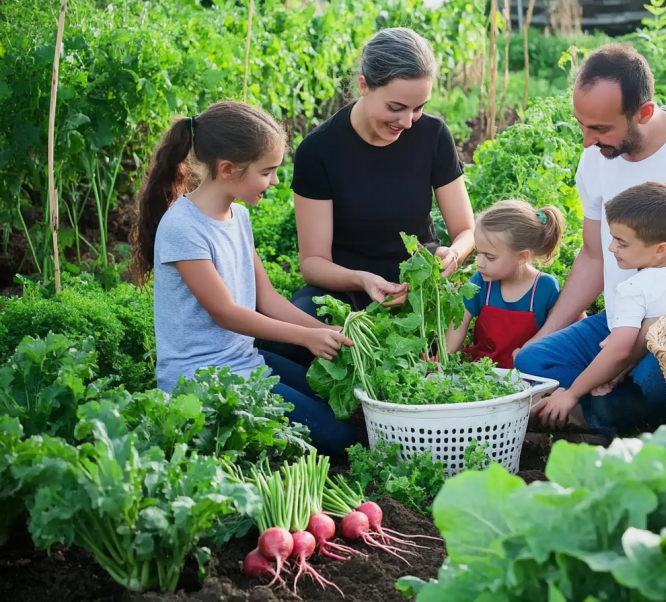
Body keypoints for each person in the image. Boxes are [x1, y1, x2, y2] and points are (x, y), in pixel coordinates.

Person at [514, 42, 666, 439]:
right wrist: (542, 335)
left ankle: (601, 409)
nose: (586, 141)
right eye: (582, 125)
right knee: (534, 361)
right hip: (624, 324)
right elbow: (593, 256)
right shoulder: (597, 156)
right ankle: (605, 402)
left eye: (600, 128)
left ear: (643, 112)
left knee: (654, 379)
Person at [130, 100, 358, 457]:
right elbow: (226, 313)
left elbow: (267, 300)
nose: (275, 180)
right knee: (342, 440)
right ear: (228, 170)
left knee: (345, 406)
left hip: (242, 360)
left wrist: (328, 332)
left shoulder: (238, 217)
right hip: (204, 381)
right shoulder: (183, 227)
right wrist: (307, 337)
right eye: (267, 171)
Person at [257, 27, 476, 366]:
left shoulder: (433, 135)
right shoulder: (319, 150)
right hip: (348, 293)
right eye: (396, 107)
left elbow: (466, 230)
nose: (407, 121)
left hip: (420, 289)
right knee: (284, 342)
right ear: (363, 86)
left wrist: (453, 257)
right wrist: (362, 280)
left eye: (419, 107)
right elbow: (313, 263)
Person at [533, 182, 666, 430]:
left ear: (661, 249)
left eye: (622, 243)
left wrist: (573, 393)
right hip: (662, 369)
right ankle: (606, 395)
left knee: (633, 388)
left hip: (650, 373)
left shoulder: (633, 289)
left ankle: (585, 409)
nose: (611, 248)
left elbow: (620, 351)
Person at [445, 200, 564, 370]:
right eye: (479, 253)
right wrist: (444, 359)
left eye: (490, 257)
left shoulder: (545, 288)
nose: (480, 263)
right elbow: (458, 324)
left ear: (522, 257)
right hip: (481, 373)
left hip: (528, 375)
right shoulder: (479, 282)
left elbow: (565, 332)